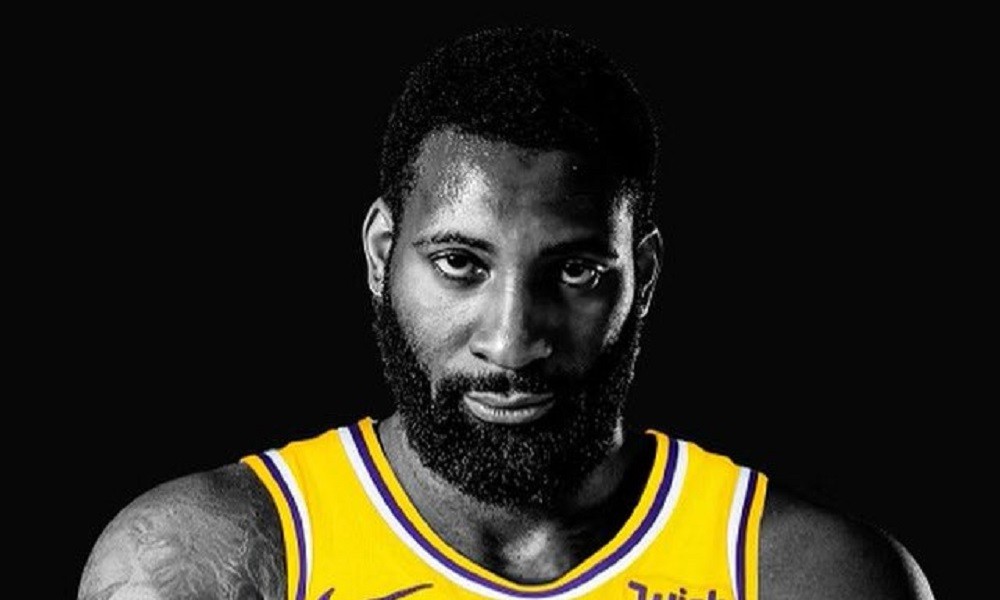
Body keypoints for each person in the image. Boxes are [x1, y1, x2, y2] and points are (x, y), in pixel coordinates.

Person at [78, 25, 935, 600]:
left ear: (642, 275)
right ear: (381, 255)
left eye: (575, 271)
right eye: (461, 264)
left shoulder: (806, 577)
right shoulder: (204, 560)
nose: (512, 340)